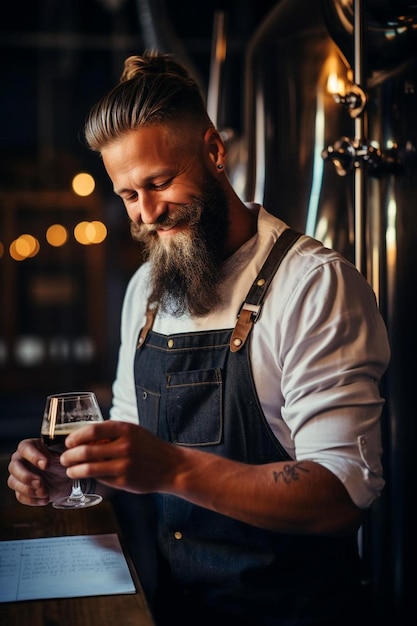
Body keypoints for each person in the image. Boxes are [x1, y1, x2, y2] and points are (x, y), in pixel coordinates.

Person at [8, 51, 390, 626]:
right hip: (178, 609)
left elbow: (341, 496)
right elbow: (134, 437)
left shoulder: (313, 284)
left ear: (214, 152)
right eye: (129, 196)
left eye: (159, 183)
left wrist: (173, 469)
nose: (148, 215)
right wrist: (74, 475)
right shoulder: (146, 290)